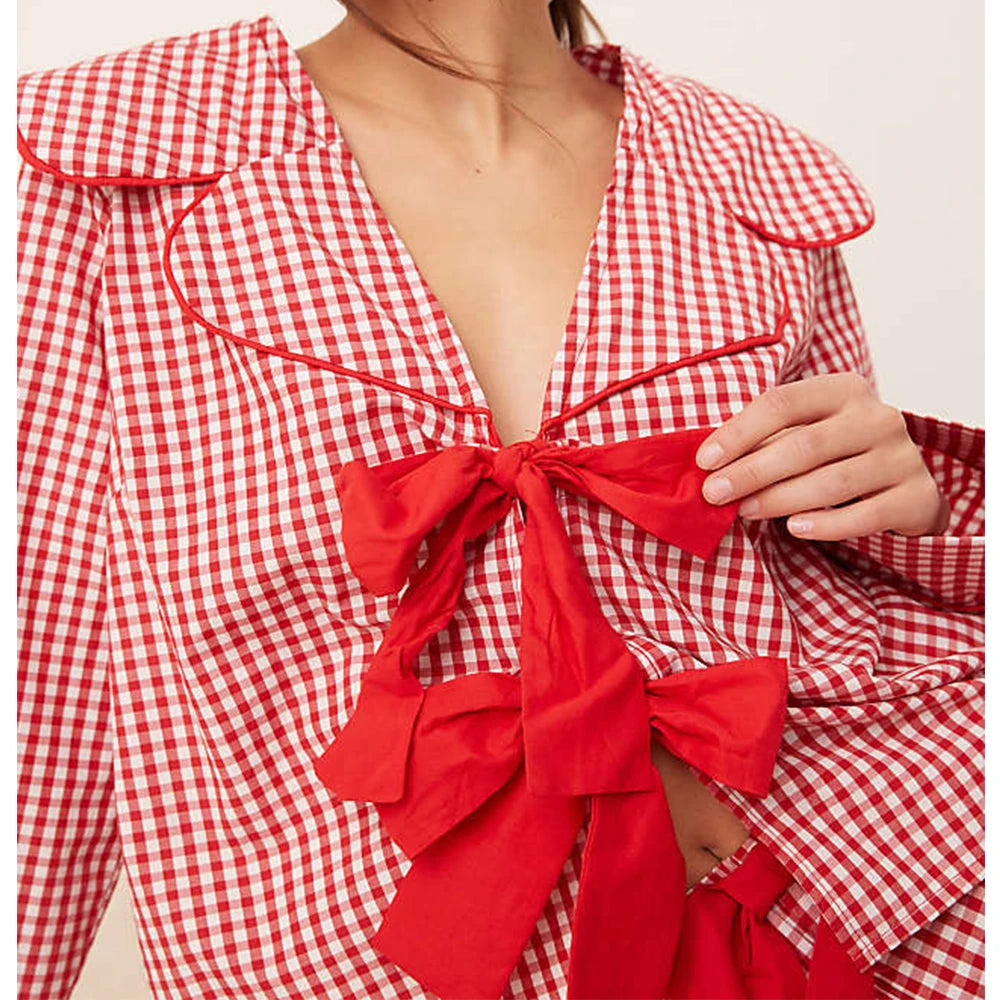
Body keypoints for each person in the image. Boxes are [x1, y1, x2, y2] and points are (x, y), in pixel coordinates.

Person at [17, 3, 984, 998]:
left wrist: (921, 510)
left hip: (820, 911)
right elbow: (46, 653)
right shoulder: (129, 147)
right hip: (357, 957)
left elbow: (830, 561)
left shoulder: (751, 169)